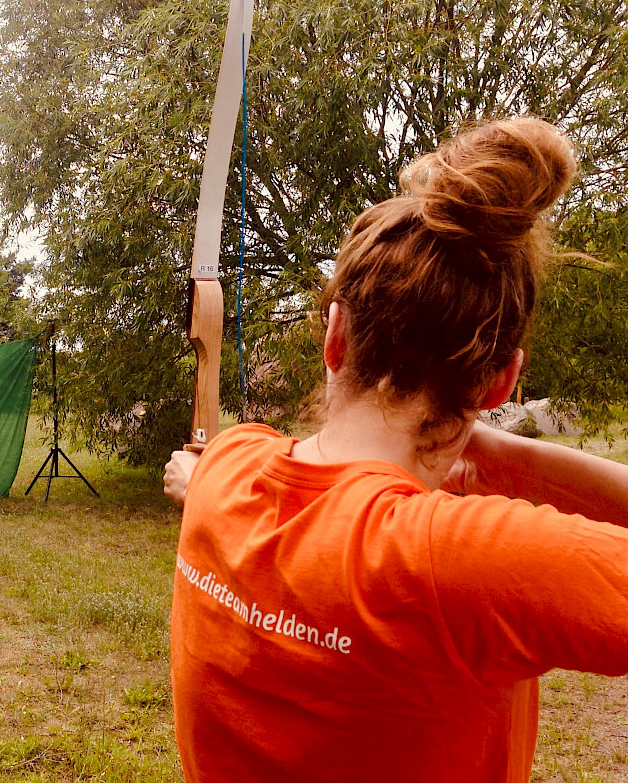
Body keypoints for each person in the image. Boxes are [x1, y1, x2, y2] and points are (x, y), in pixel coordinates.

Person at [164, 118, 628, 783]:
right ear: (502, 381)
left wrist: (196, 479)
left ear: (335, 336)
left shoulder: (231, 468)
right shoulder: (468, 559)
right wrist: (510, 461)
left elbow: (202, 477)